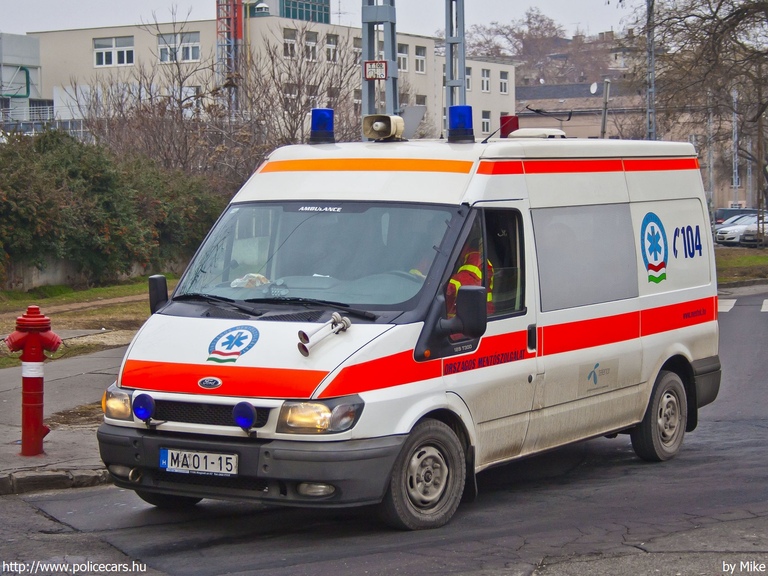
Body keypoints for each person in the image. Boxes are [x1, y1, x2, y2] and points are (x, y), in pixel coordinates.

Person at [445, 235, 494, 318]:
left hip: (477, 316)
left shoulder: (476, 258)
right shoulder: (468, 256)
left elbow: (460, 283)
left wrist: (435, 284)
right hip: (472, 314)